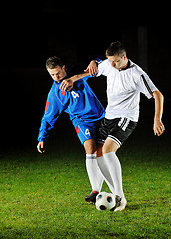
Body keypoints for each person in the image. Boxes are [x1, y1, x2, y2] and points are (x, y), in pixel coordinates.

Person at [60, 41, 165, 211]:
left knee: (108, 150)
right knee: (98, 154)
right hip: (109, 117)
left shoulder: (137, 74)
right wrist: (72, 78)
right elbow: (89, 72)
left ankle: (120, 198)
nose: (112, 65)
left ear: (124, 57)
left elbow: (157, 94)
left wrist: (157, 119)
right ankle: (117, 194)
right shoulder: (109, 65)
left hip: (126, 118)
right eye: (110, 61)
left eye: (116, 61)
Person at [37, 56, 105, 203]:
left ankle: (110, 190)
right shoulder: (55, 93)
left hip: (101, 117)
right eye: (52, 75)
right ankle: (95, 191)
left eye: (58, 73)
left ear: (64, 68)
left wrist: (94, 61)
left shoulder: (76, 72)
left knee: (103, 153)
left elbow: (99, 65)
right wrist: (41, 138)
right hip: (81, 122)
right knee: (90, 148)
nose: (56, 77)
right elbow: (48, 117)